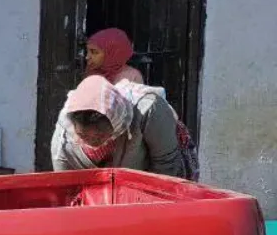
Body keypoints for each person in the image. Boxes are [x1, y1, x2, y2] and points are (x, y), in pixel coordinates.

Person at [51, 74, 187, 178]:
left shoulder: (148, 110)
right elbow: (65, 184)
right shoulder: (65, 138)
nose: (92, 142)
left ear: (115, 122)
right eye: (83, 135)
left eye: (99, 136)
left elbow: (166, 165)